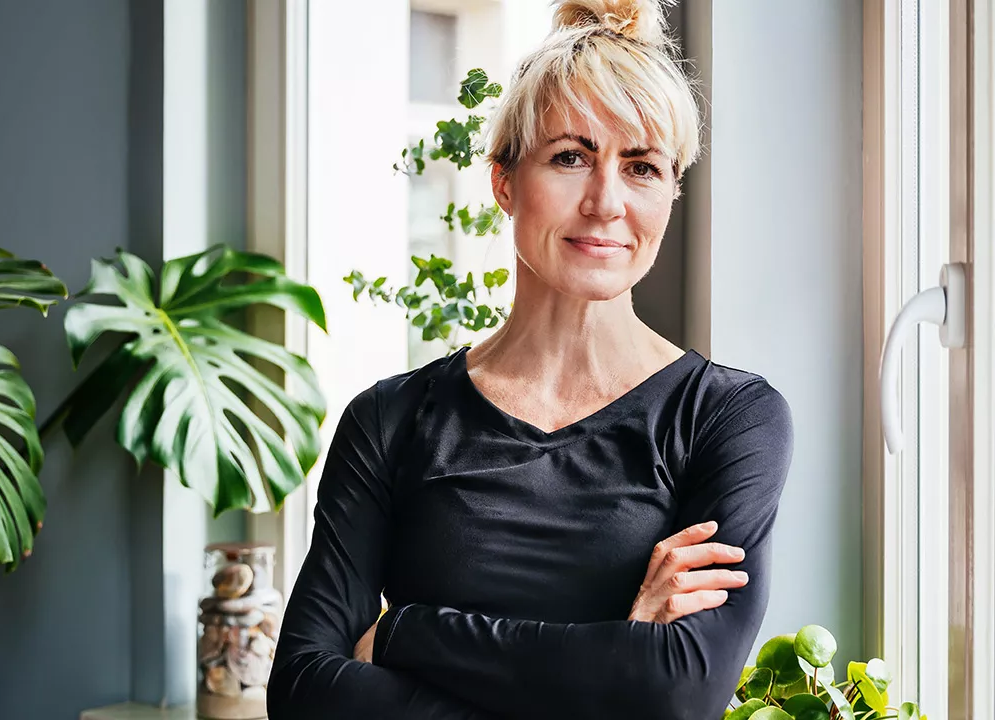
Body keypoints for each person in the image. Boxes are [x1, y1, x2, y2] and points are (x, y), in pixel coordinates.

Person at [267, 1, 795, 717]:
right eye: (570, 157)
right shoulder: (389, 420)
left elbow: (678, 690)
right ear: (504, 182)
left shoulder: (726, 418)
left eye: (641, 166)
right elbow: (304, 692)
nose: (606, 202)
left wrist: (404, 631)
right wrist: (615, 658)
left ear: (671, 190)